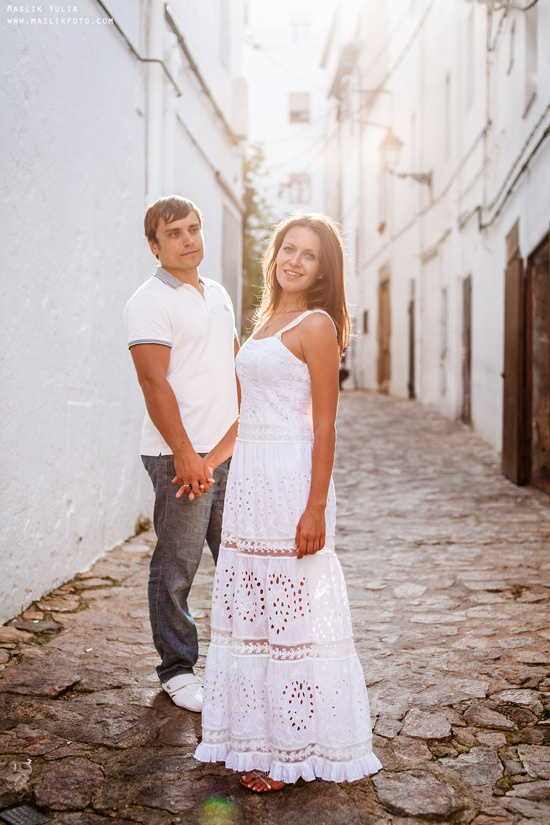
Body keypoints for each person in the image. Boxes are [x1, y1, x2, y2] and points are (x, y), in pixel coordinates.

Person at [193, 213, 382, 790]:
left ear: (324, 270)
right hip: (248, 483)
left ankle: (293, 753)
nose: (294, 261)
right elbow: (247, 414)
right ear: (274, 254)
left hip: (290, 483)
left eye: (309, 255)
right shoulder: (266, 320)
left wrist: (316, 507)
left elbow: (324, 425)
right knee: (253, 614)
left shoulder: (317, 325)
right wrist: (207, 463)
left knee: (291, 619)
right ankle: (253, 738)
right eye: (288, 249)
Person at [123, 196, 239, 712]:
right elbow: (153, 383)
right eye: (175, 233)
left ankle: (239, 662)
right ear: (155, 244)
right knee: (176, 567)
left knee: (238, 562)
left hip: (226, 453)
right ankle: (176, 669)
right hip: (179, 458)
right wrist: (187, 455)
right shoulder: (148, 301)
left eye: (194, 229)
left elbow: (234, 371)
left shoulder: (218, 293)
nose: (189, 239)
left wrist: (233, 441)